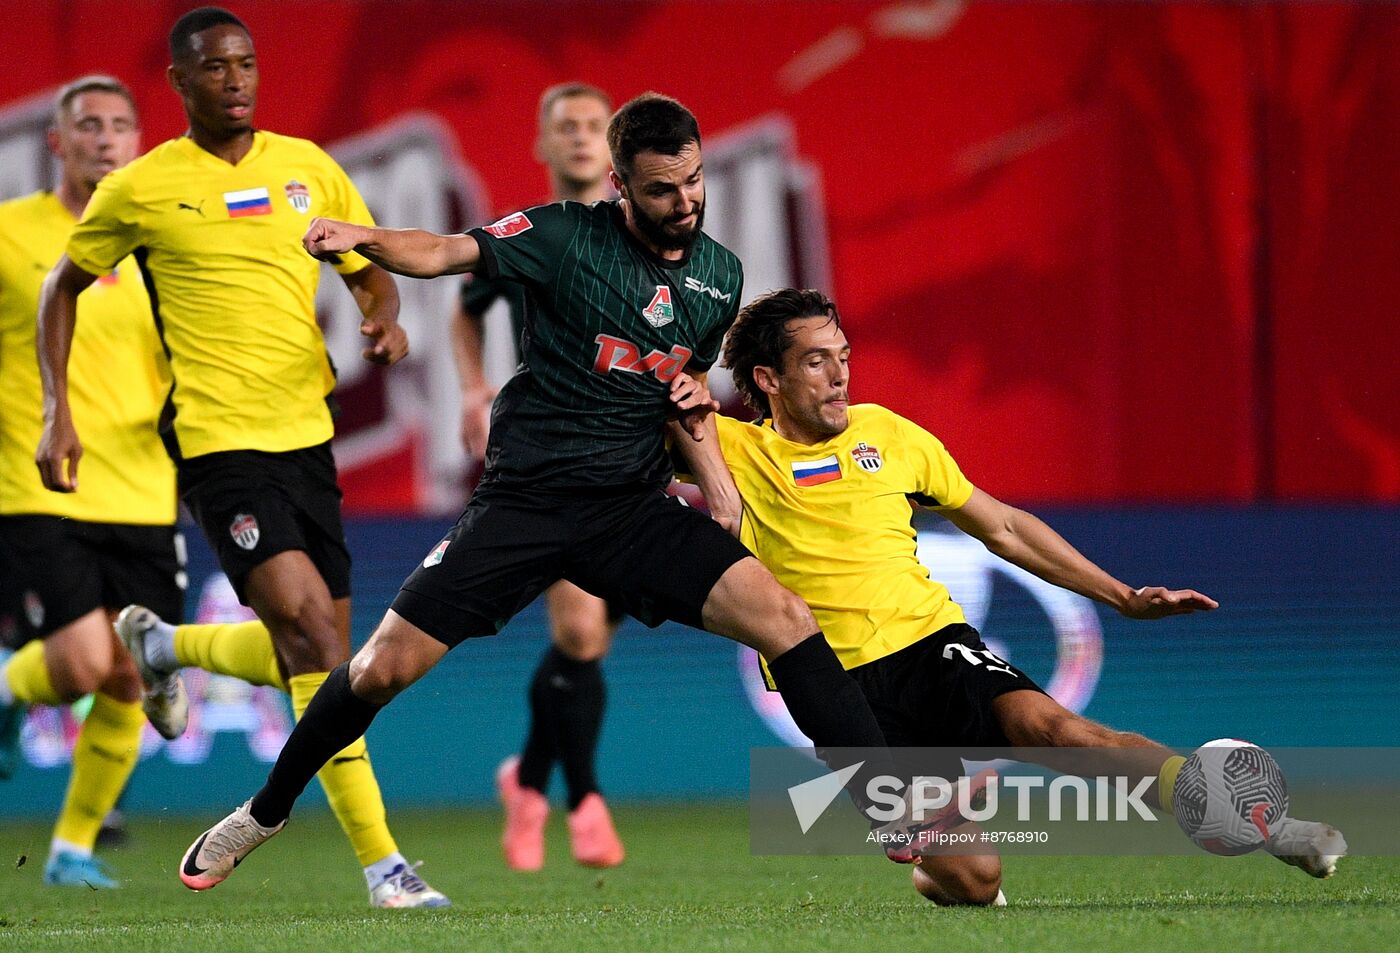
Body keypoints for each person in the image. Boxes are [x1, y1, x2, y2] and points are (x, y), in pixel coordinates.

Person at [175, 91, 910, 894]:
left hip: (629, 510)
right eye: (662, 190)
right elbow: (443, 251)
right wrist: (366, 240)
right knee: (381, 667)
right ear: (622, 187)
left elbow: (684, 394)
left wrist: (716, 481)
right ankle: (265, 809)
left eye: (693, 182)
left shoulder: (718, 277)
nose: (685, 202)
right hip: (524, 504)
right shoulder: (565, 236)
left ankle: (885, 801)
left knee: (785, 617)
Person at [703, 287, 1348, 905]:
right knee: (977, 879)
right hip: (835, 690)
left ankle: (1269, 829)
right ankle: (938, 869)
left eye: (844, 356)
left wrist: (1120, 596)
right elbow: (617, 436)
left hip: (933, 646)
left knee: (1060, 730)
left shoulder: (889, 434)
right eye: (816, 362)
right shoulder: (728, 450)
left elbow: (1003, 527)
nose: (840, 376)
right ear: (767, 379)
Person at [34, 8, 447, 909]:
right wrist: (57, 412)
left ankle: (164, 643)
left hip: (308, 436)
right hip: (220, 444)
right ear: (179, 83)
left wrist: (382, 316)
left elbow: (367, 261)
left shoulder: (309, 167)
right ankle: (385, 867)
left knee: (326, 663)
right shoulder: (142, 188)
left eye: (247, 64)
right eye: (215, 68)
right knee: (314, 634)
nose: (237, 80)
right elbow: (61, 288)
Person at [0, 75, 173, 889]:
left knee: (129, 674)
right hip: (39, 479)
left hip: (144, 485)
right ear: (58, 143)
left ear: (136, 142)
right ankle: (11, 686)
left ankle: (71, 849)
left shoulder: (155, 247)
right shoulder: (10, 232)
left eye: (119, 125)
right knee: (77, 665)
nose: (106, 138)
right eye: (88, 125)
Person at [453, 82, 624, 871]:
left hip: (636, 452)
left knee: (589, 641)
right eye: (569, 127)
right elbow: (467, 305)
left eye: (597, 126)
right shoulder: (529, 231)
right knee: (578, 631)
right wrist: (471, 389)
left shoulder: (646, 229)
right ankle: (585, 800)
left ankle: (525, 779)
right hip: (557, 451)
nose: (584, 138)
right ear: (543, 146)